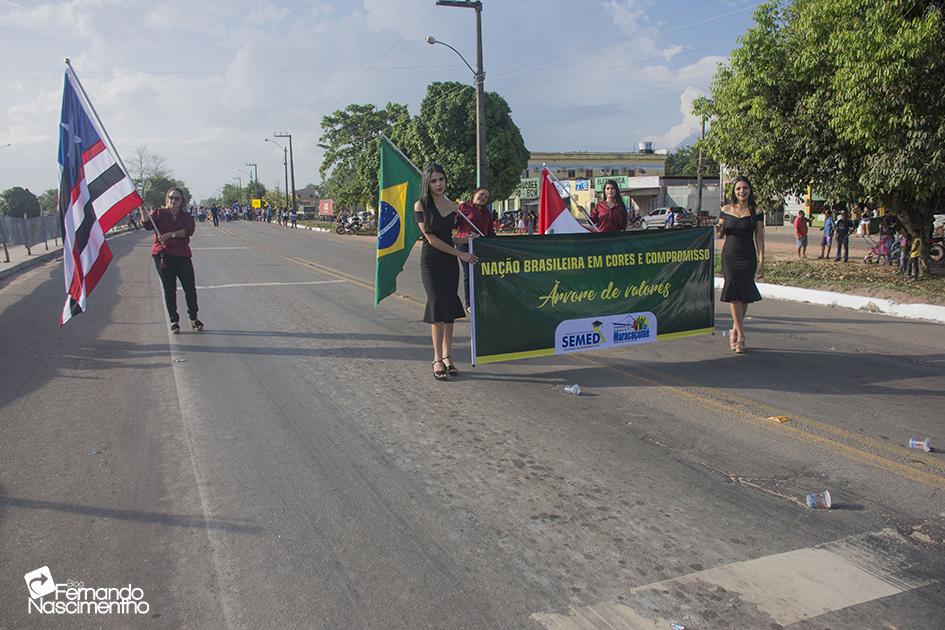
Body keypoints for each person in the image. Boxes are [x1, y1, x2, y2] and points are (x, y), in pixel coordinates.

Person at [414, 164, 478, 381]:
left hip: (449, 262)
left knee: (449, 309)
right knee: (437, 308)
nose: (438, 184)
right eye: (433, 181)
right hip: (431, 262)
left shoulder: (453, 206)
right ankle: (436, 359)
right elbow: (431, 239)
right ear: (427, 183)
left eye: (441, 179)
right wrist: (461, 255)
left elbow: (450, 238)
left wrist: (468, 241)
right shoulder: (420, 205)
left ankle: (448, 357)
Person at [140, 188, 203, 334]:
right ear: (167, 198)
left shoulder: (185, 217)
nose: (173, 201)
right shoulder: (159, 213)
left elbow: (189, 230)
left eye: (177, 198)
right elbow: (147, 224)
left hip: (182, 255)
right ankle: (174, 320)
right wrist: (142, 208)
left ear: (182, 201)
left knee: (189, 287)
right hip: (164, 255)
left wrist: (171, 234)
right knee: (170, 289)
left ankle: (193, 317)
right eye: (171, 197)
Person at [716, 176, 764, 354]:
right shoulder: (726, 209)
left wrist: (761, 260)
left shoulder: (756, 211)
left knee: (744, 295)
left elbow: (759, 237)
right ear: (734, 192)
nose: (741, 191)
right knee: (734, 294)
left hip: (748, 256)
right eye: (738, 189)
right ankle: (741, 335)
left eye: (744, 188)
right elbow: (720, 234)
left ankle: (734, 329)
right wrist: (718, 228)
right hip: (730, 256)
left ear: (749, 190)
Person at [454, 186, 496, 311]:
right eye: (481, 194)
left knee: (480, 273)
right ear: (475, 194)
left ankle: (481, 300)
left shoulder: (488, 213)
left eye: (486, 197)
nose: (483, 198)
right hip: (464, 244)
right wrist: (454, 214)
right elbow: (454, 224)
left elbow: (490, 233)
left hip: (479, 246)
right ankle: (469, 304)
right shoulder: (463, 207)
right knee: (469, 273)